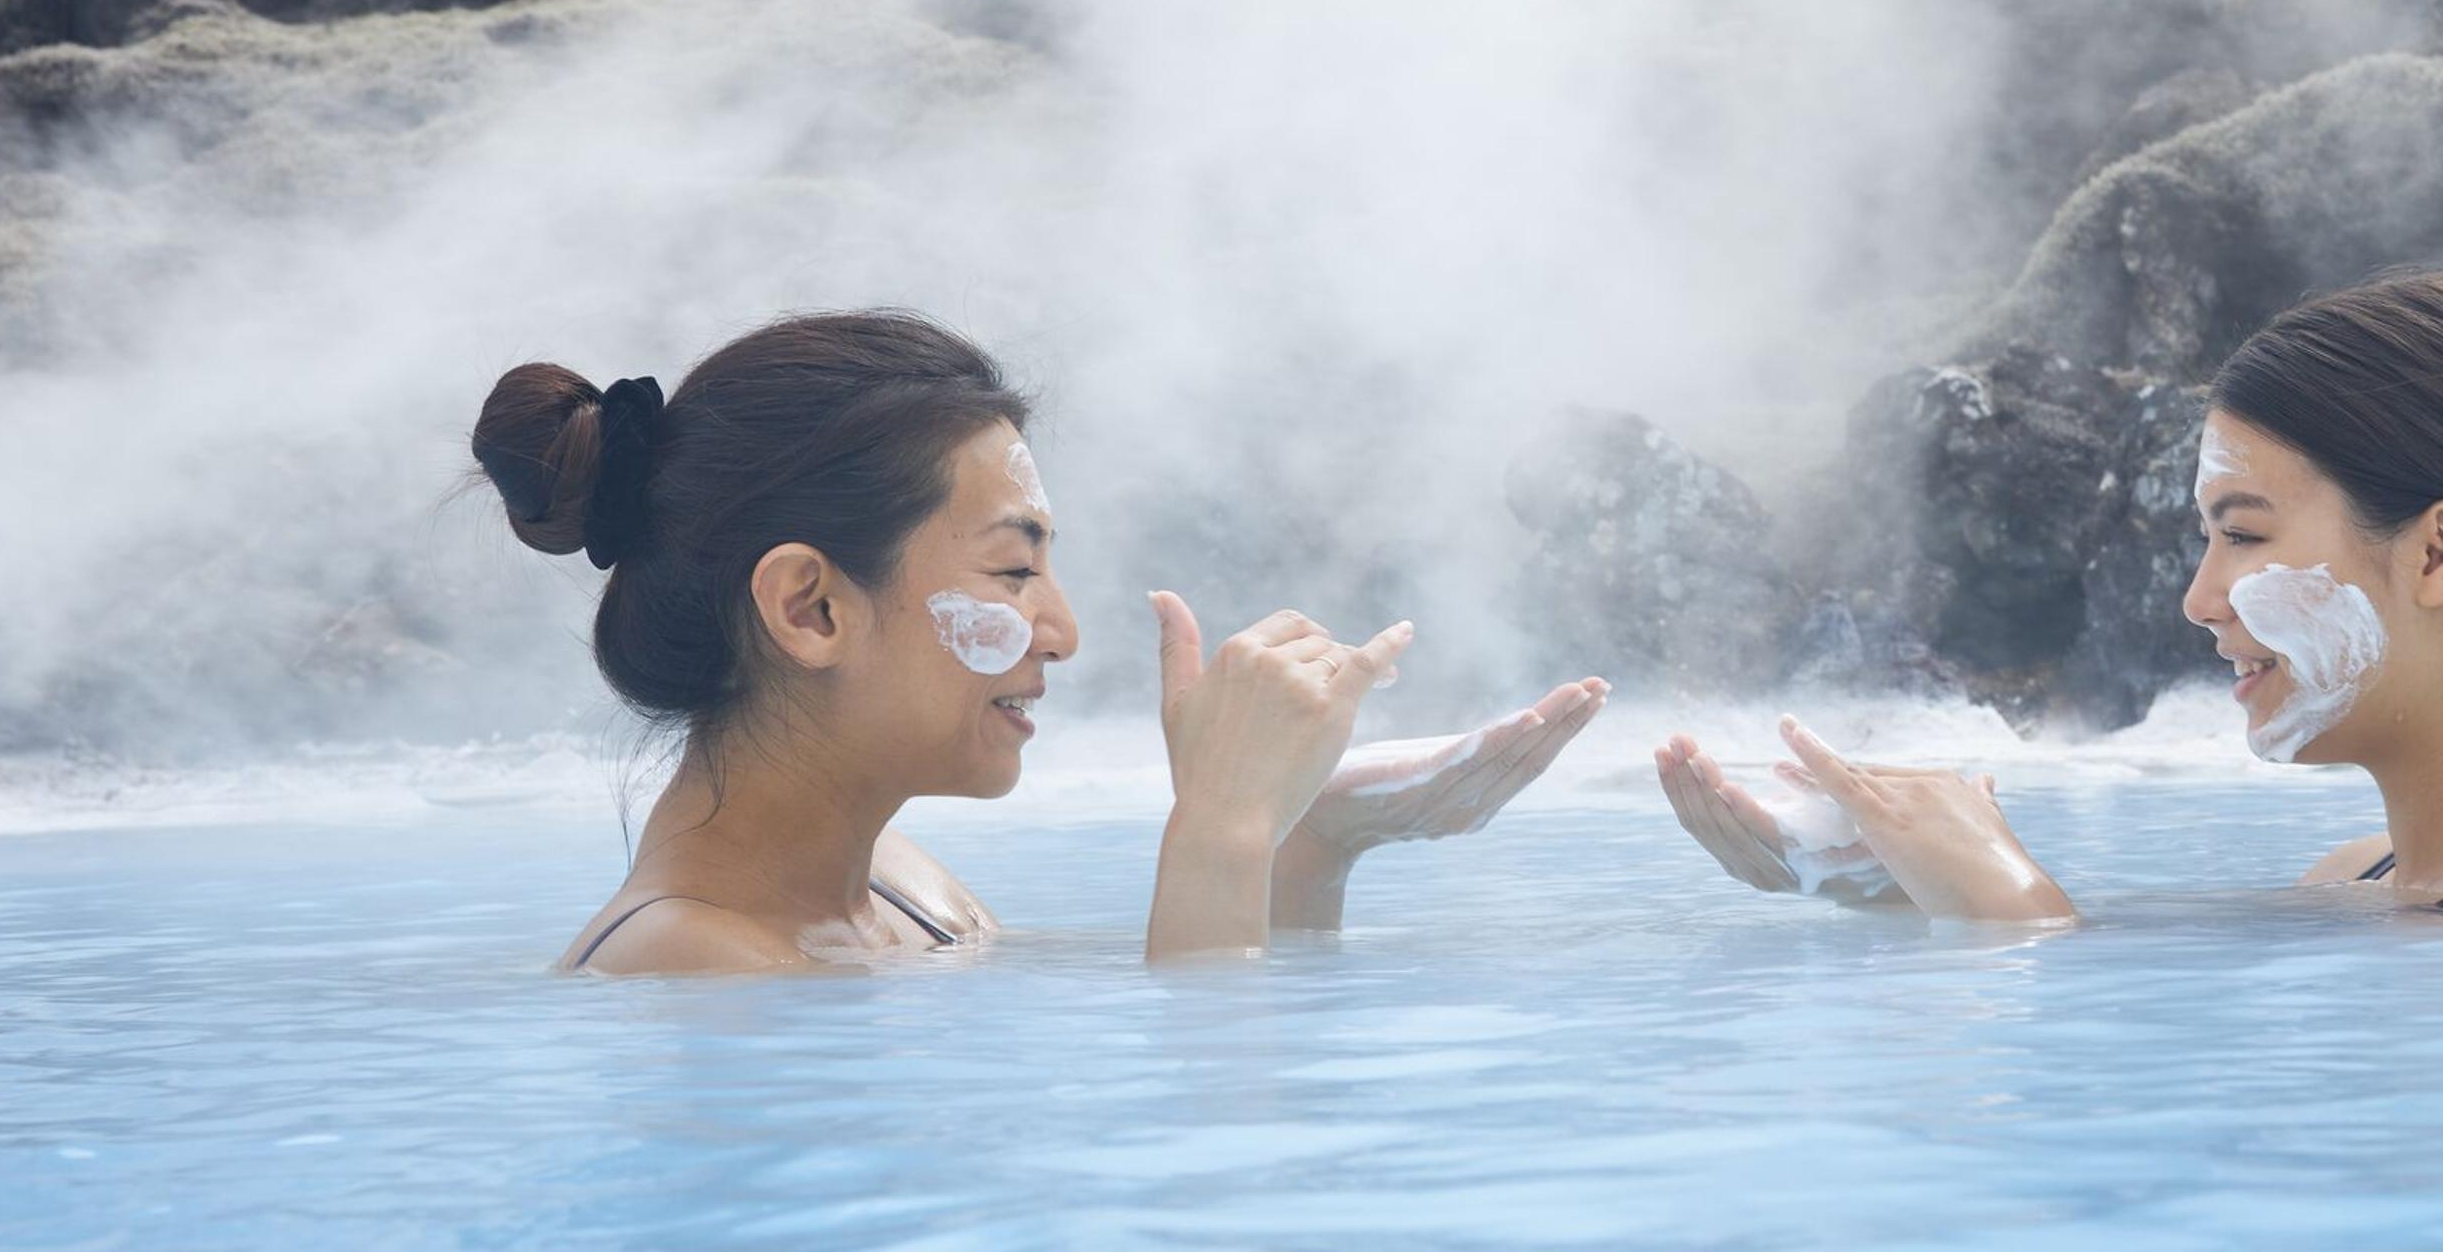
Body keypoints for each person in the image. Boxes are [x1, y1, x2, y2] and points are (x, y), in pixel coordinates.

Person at [474, 309, 1603, 973]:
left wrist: (1300, 842)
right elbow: (1193, 1169)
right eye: (1014, 570)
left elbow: (1226, 1090)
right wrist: (1216, 830)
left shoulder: (902, 894)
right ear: (811, 607)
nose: (1059, 630)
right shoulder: (682, 963)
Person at [1655, 272, 2443, 922]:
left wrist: (2011, 906)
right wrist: (1890, 882)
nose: (2201, 597)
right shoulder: (2352, 880)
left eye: (2243, 533)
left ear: (2440, 553)